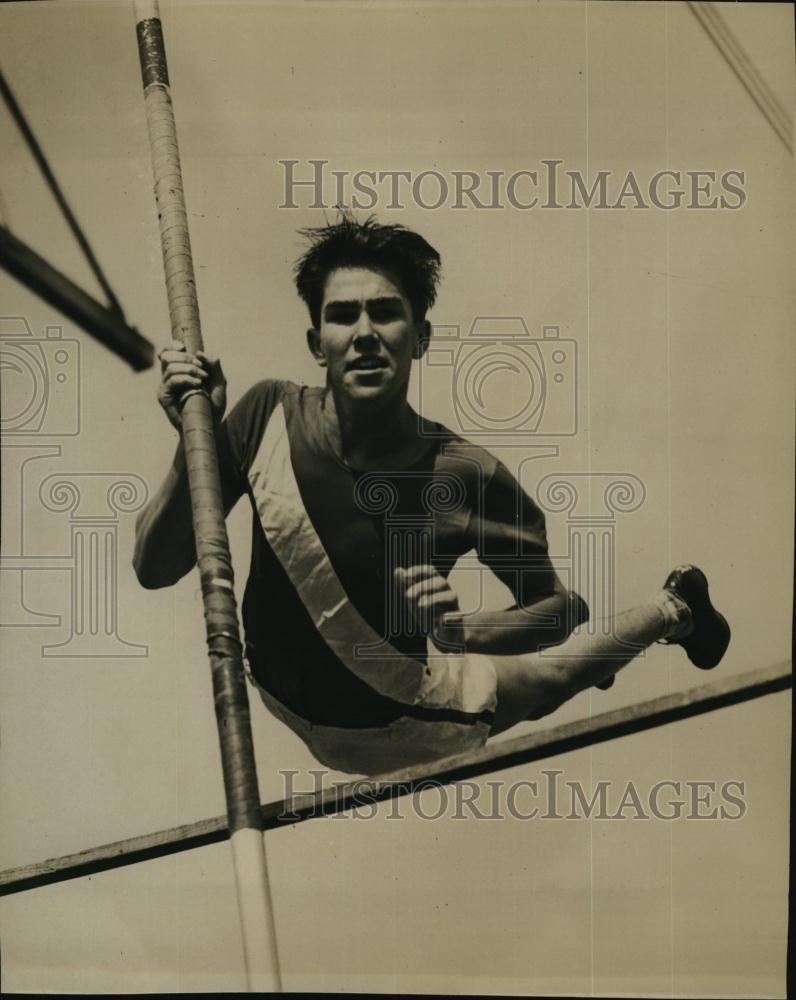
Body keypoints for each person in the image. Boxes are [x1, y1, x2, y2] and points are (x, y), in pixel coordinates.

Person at [133, 216, 730, 776]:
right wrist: (198, 440)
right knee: (544, 672)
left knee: (549, 679)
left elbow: (558, 611)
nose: (364, 333)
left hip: (396, 716)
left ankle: (674, 608)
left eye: (385, 313)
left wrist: (460, 633)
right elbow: (153, 567)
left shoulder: (467, 474)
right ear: (318, 343)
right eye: (343, 316)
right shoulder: (265, 414)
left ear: (420, 337)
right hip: (271, 685)